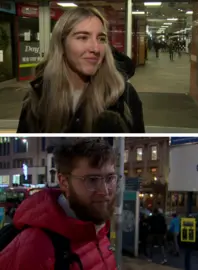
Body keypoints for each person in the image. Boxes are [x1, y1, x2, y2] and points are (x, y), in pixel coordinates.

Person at [16, 7, 145, 133]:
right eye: (83, 37)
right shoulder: (38, 96)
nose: (95, 48)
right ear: (62, 44)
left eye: (101, 39)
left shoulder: (124, 96)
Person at [0, 138, 118, 269]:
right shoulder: (37, 247)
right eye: (92, 180)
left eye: (110, 178)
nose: (105, 191)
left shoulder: (97, 230)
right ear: (64, 182)